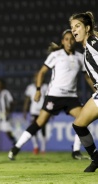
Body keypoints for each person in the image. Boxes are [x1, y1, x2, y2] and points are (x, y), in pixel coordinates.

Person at [8, 29, 95, 161]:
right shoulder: (56, 55)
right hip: (54, 95)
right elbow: (42, 72)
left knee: (83, 121)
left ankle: (76, 151)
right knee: (39, 123)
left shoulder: (79, 57)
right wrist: (38, 90)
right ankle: (16, 148)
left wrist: (96, 90)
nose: (69, 41)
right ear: (62, 41)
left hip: (71, 97)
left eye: (72, 39)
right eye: (66, 39)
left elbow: (87, 77)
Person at [70, 11, 98, 172]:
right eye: (72, 27)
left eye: (77, 26)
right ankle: (96, 159)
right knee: (79, 124)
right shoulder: (87, 49)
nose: (74, 30)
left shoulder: (93, 43)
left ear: (87, 28)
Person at [23, 72, 48, 154]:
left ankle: (43, 149)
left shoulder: (45, 87)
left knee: (43, 129)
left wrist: (50, 111)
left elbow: (48, 99)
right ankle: (36, 146)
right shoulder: (30, 87)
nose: (37, 79)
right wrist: (25, 111)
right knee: (33, 128)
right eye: (35, 77)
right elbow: (27, 100)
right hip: (33, 111)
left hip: (43, 110)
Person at [0, 78, 16, 155]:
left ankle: (15, 144)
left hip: (5, 114)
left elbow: (12, 102)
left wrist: (8, 112)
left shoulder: (6, 93)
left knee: (8, 132)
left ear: (3, 85)